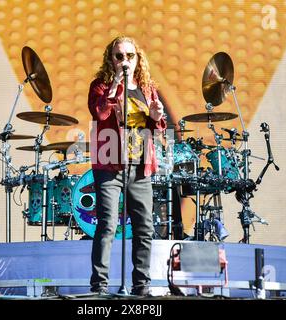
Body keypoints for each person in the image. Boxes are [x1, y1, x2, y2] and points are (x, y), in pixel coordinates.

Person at [87, 36, 166, 295]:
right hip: (110, 165)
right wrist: (115, 87)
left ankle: (141, 284)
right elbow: (99, 114)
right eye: (119, 56)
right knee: (107, 224)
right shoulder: (100, 86)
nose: (124, 61)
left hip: (141, 166)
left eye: (129, 56)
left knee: (144, 226)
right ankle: (99, 285)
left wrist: (156, 117)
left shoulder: (147, 87)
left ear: (138, 58)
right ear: (111, 60)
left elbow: (158, 130)